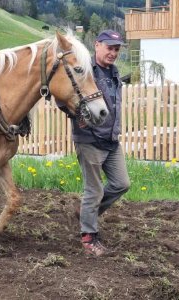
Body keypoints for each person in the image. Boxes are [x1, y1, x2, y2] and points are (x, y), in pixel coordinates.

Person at [60, 30, 131, 256]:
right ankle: (89, 238)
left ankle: (86, 216)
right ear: (97, 45)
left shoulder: (114, 72)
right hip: (89, 139)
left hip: (111, 139)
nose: (113, 53)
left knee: (122, 184)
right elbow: (62, 96)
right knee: (94, 189)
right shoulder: (84, 69)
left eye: (116, 49)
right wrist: (76, 115)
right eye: (109, 47)